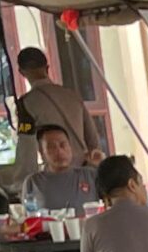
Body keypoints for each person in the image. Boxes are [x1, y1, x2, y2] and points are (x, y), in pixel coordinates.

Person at [13, 46, 100, 177]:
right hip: (85, 171)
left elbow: (27, 150)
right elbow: (93, 139)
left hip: (57, 174)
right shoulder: (72, 96)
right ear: (47, 68)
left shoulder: (25, 104)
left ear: (21, 72)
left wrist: (23, 182)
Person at [23, 124, 97, 213]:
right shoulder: (33, 182)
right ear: (42, 153)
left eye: (63, 145)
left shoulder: (90, 175)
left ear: (70, 147)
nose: (59, 151)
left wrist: (100, 163)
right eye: (51, 147)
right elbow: (29, 216)